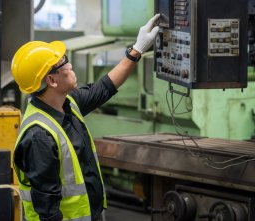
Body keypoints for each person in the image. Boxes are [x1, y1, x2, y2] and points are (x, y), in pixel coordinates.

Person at [11, 14, 160, 221]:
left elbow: (104, 88)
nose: (69, 65)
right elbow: (47, 210)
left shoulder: (68, 103)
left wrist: (137, 49)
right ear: (51, 80)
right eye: (63, 62)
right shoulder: (40, 136)